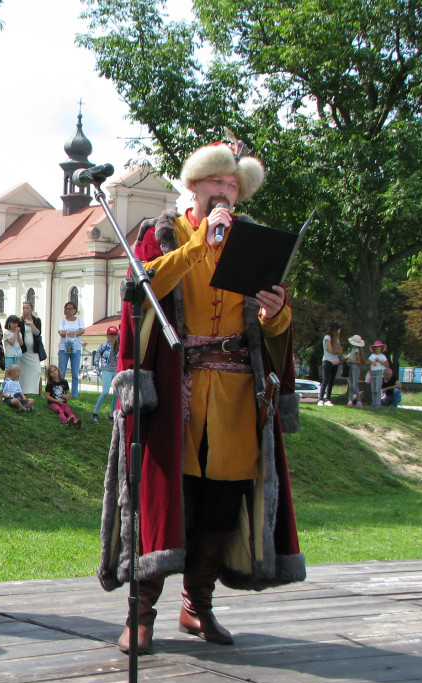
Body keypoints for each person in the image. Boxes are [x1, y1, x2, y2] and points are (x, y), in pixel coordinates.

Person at [99, 140, 305, 655]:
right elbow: (141, 292)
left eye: (235, 186)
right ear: (194, 186)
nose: (226, 192)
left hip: (236, 395)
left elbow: (272, 329)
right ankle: (141, 612)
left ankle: (198, 605)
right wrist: (199, 247)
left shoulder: (252, 243)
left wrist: (276, 312)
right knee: (167, 500)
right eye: (218, 183)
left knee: (221, 502)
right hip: (177, 392)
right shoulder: (160, 235)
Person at [57, 301, 86, 398]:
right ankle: (60, 392)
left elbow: (82, 330)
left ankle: (74, 393)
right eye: (66, 308)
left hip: (76, 348)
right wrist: (70, 333)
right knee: (62, 371)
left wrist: (70, 333)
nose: (67, 310)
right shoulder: (62, 320)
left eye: (70, 308)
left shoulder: (79, 320)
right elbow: (61, 332)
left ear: (75, 310)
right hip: (64, 348)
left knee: (75, 372)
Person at [92, 326, 120, 423]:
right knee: (105, 392)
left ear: (117, 336)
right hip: (106, 370)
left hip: (116, 371)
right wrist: (98, 372)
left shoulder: (119, 346)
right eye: (110, 334)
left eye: (114, 334)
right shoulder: (103, 346)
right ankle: (95, 413)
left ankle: (112, 414)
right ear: (107, 335)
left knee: (117, 394)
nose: (112, 337)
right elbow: (96, 358)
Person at [19, 301, 44, 396]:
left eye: (27, 308)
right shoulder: (20, 321)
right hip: (23, 350)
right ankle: (23, 391)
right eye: (24, 308)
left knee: (37, 371)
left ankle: (37, 391)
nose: (25, 310)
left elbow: (37, 333)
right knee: (23, 371)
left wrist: (31, 324)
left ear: (32, 309)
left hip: (34, 350)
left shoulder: (37, 320)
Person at [319, 321, 342, 405]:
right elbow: (331, 350)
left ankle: (328, 398)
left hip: (335, 361)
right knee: (325, 380)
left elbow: (340, 351)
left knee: (331, 380)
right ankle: (321, 398)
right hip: (327, 360)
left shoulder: (337, 340)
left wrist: (335, 350)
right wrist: (335, 350)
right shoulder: (327, 338)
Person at [367, 340, 390, 408]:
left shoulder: (382, 356)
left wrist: (379, 361)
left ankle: (378, 403)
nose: (377, 349)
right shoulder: (372, 355)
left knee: (377, 388)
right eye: (376, 347)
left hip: (378, 372)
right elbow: (367, 361)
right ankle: (373, 403)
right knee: (373, 388)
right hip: (372, 372)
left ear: (381, 348)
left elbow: (387, 365)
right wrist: (372, 362)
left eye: (379, 347)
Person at [344, 334, 365, 406]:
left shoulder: (356, 350)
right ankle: (350, 400)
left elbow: (359, 361)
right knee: (351, 385)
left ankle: (359, 401)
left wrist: (350, 361)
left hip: (355, 368)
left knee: (354, 385)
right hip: (351, 367)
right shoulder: (353, 349)